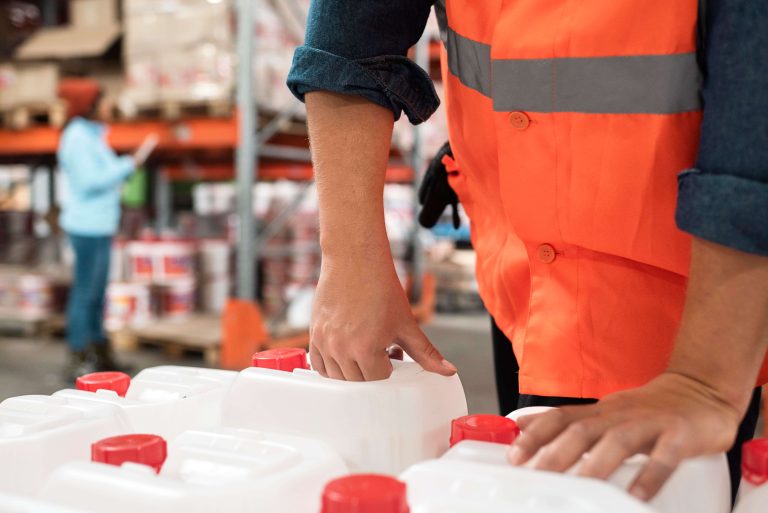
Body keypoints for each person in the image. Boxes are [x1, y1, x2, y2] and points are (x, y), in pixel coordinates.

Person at [286, 0, 768, 502]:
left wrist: (705, 380)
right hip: (518, 269)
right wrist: (349, 259)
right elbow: (354, 32)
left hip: (683, 309)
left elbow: (754, 116)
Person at [57, 86, 147, 381]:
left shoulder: (94, 135)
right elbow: (89, 181)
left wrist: (123, 166)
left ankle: (100, 353)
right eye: (104, 100)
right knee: (85, 293)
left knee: (96, 294)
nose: (110, 104)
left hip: (100, 225)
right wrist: (127, 165)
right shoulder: (77, 138)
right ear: (91, 105)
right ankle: (78, 356)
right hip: (86, 227)